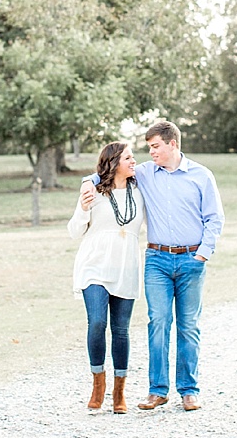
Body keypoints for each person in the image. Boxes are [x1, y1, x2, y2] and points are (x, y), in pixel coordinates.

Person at [79, 119, 224, 412]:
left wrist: (202, 254)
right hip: (157, 260)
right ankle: (157, 391)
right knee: (158, 323)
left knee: (188, 325)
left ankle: (189, 391)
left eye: (156, 146)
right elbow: (106, 171)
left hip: (191, 259)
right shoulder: (144, 173)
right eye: (149, 148)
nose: (152, 152)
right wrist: (87, 182)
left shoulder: (201, 175)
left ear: (173, 144)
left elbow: (214, 218)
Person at [69, 141, 147, 414]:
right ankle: (98, 384)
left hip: (126, 267)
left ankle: (119, 392)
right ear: (113, 162)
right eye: (128, 158)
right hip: (94, 266)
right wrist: (83, 208)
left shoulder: (140, 190)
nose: (134, 161)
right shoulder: (93, 191)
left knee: (121, 330)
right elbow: (74, 231)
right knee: (97, 322)